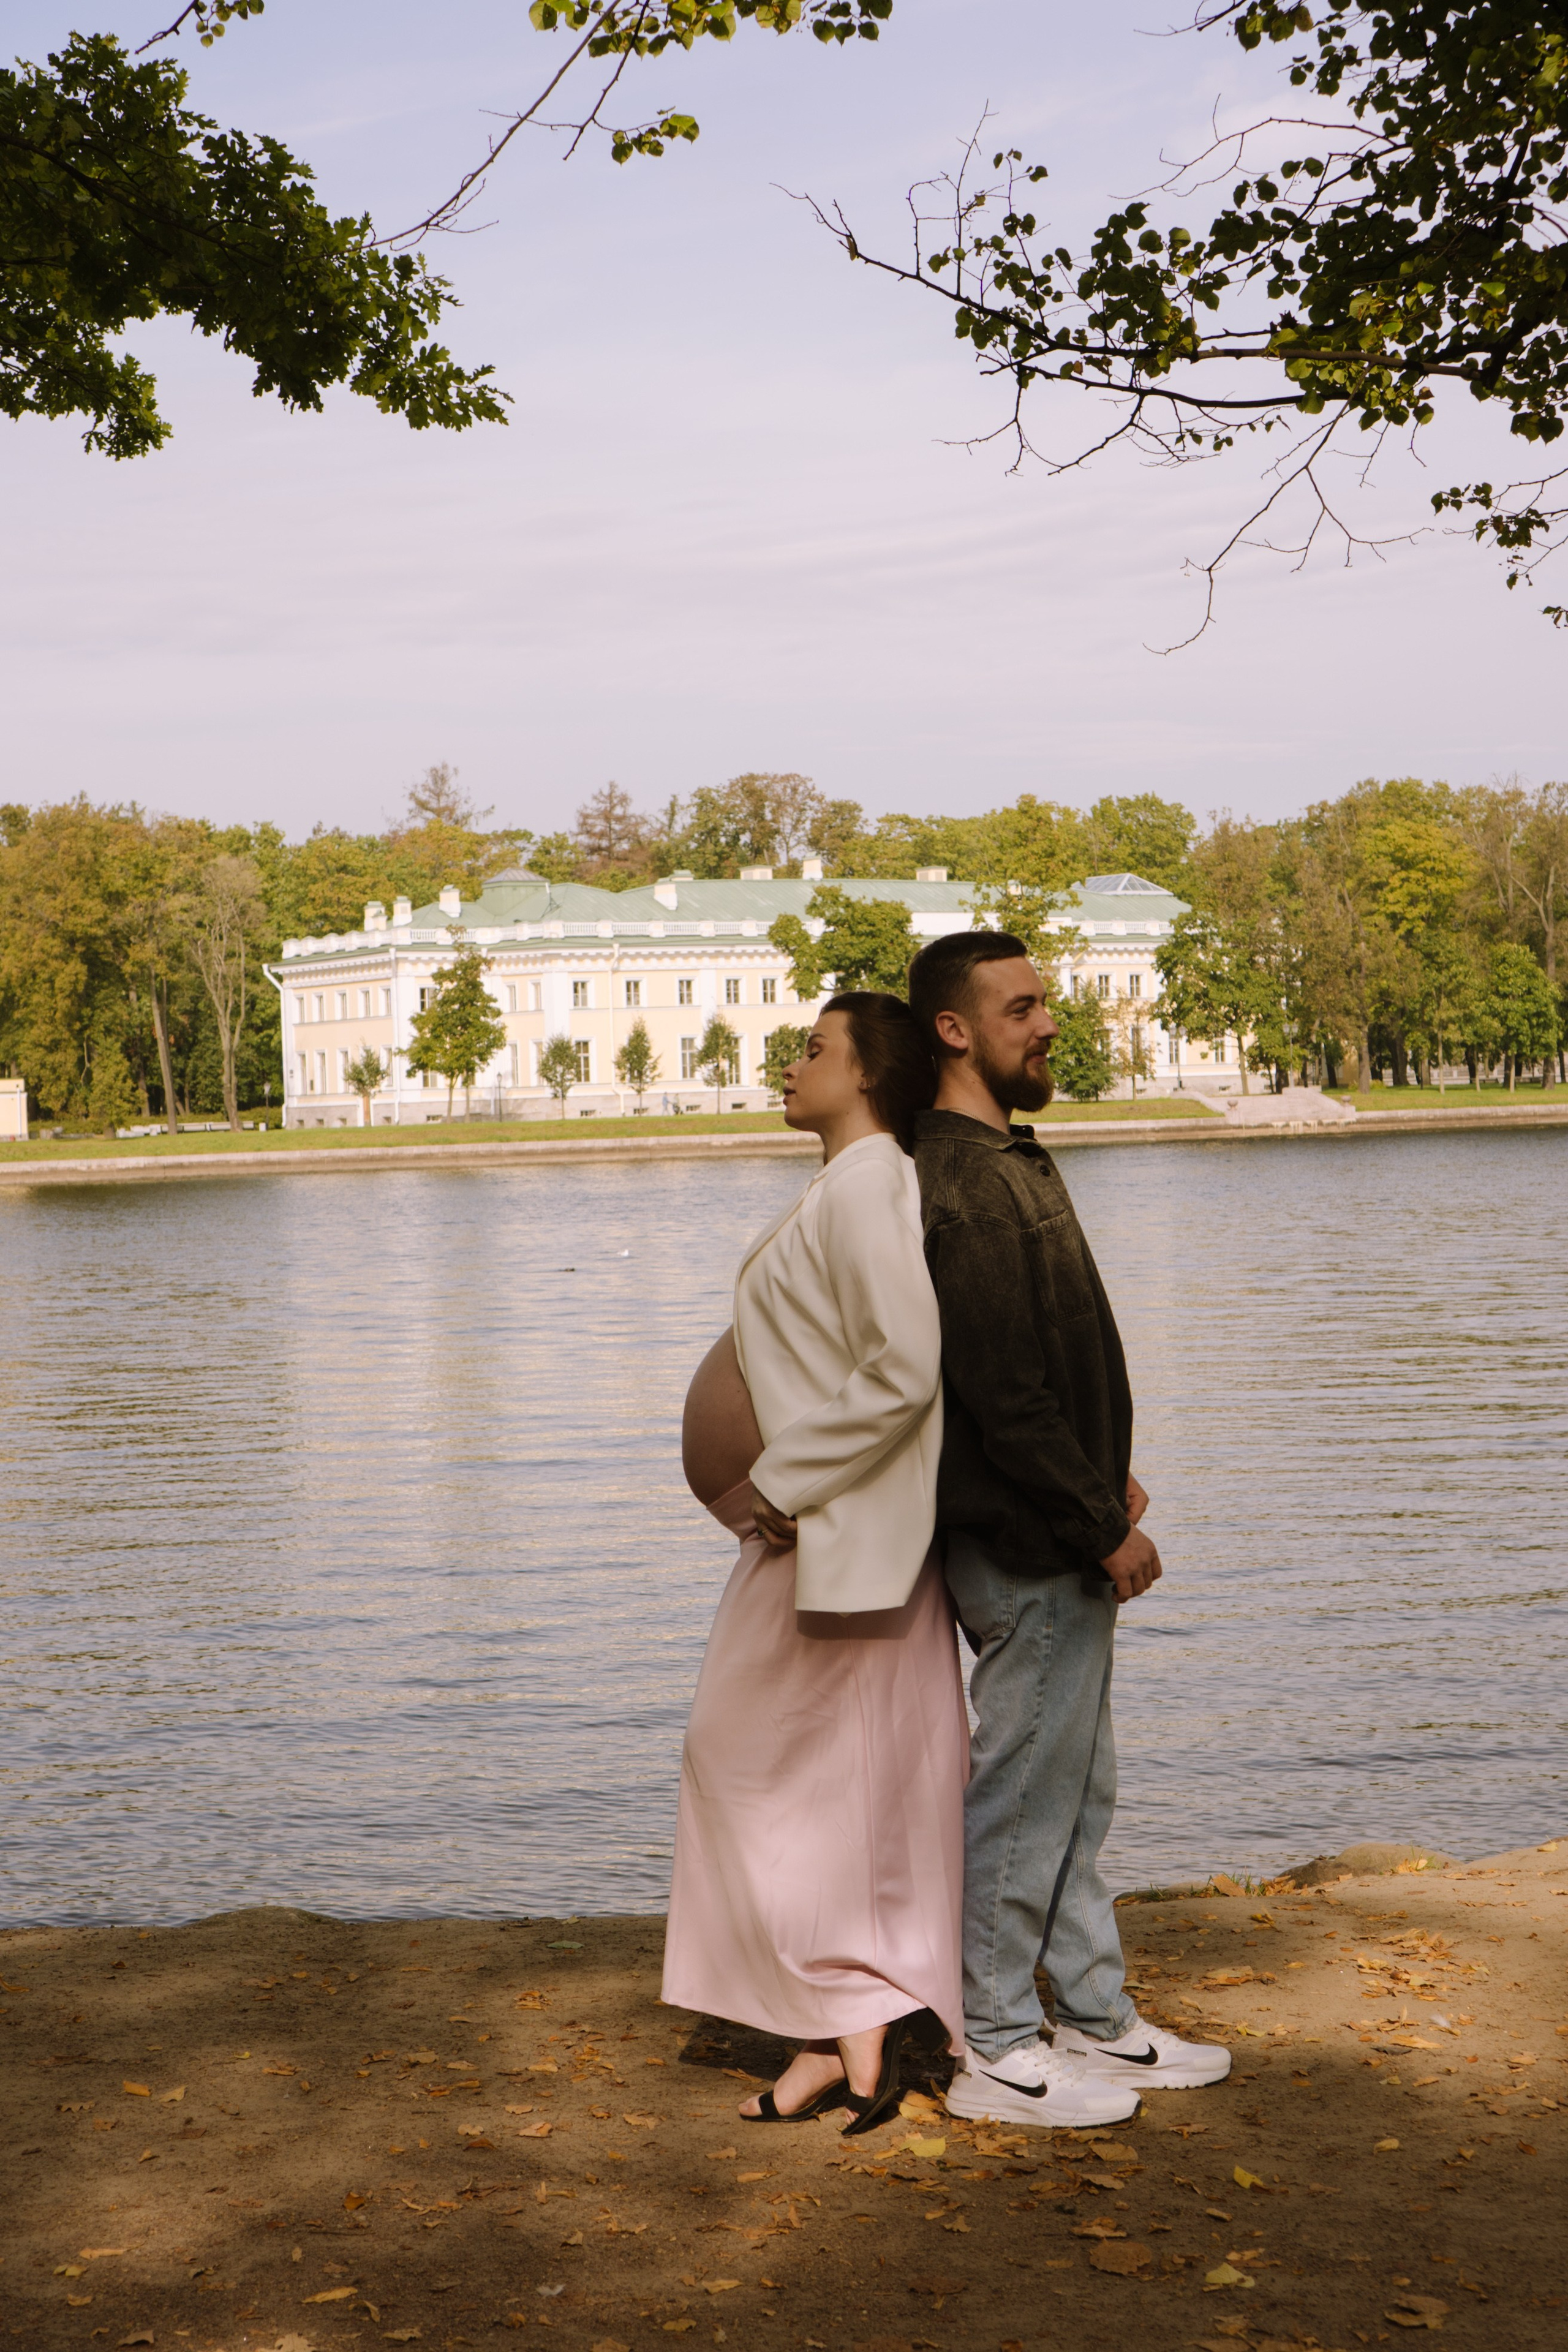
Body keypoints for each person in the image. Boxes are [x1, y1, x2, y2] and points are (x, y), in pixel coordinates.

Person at [906, 930, 1231, 2130]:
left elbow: (1043, 1368)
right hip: (1025, 1541)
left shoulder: (1009, 1158)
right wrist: (1097, 1519)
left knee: (1075, 1790)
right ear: (954, 1029)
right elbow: (999, 1389)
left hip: (1062, 1523)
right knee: (1022, 1791)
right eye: (1023, 1006)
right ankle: (989, 2045)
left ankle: (1092, 2019)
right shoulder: (962, 1181)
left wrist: (1110, 1475)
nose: (1047, 1023)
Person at [663, 992, 968, 2135]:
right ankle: (841, 2042)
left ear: (870, 1074)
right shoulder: (848, 1184)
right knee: (824, 1790)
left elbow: (906, 1365)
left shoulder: (875, 1181)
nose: (790, 1063)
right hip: (819, 1538)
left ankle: (852, 2027)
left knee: (750, 1766)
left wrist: (787, 1481)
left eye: (813, 1048)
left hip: (832, 1534)